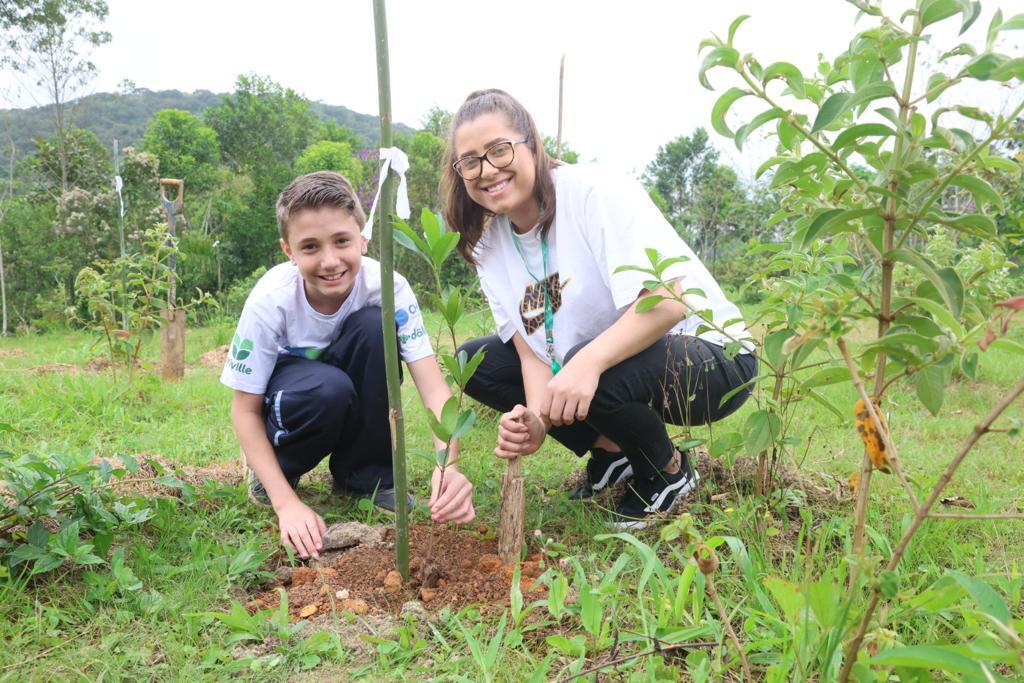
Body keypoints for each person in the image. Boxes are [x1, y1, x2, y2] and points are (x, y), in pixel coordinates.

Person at [442, 89, 757, 529]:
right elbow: (531, 353)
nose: (487, 170)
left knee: (581, 361)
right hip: (614, 368)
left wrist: (586, 362)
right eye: (470, 161)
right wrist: (536, 421)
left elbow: (667, 301)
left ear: (531, 143)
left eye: (499, 150)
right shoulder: (491, 246)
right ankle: (613, 453)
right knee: (476, 362)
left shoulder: (591, 191)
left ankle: (666, 472)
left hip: (713, 359)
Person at [221, 171, 475, 559]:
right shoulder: (270, 300)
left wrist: (449, 466)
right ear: (288, 250)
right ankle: (277, 471)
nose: (329, 261)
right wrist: (286, 504)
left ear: (363, 239)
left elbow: (433, 387)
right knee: (329, 388)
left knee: (376, 325)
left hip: (344, 387)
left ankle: (365, 476)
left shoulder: (387, 287)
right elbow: (243, 410)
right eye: (310, 247)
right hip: (298, 399)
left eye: (342, 241)